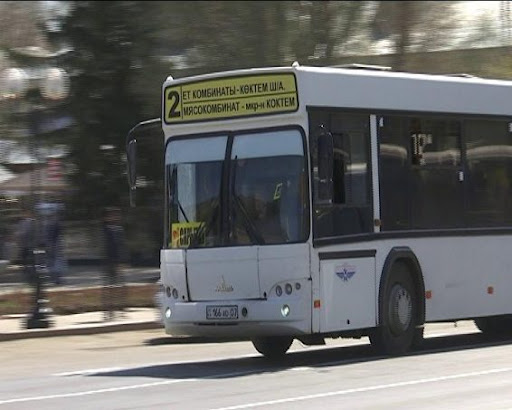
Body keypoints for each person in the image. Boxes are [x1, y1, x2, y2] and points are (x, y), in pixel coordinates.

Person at [101, 206, 128, 321]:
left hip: (117, 261)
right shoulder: (106, 230)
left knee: (120, 287)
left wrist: (122, 261)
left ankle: (120, 310)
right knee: (109, 287)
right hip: (109, 261)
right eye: (112, 215)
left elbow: (121, 247)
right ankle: (109, 311)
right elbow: (108, 247)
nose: (115, 217)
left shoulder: (118, 230)